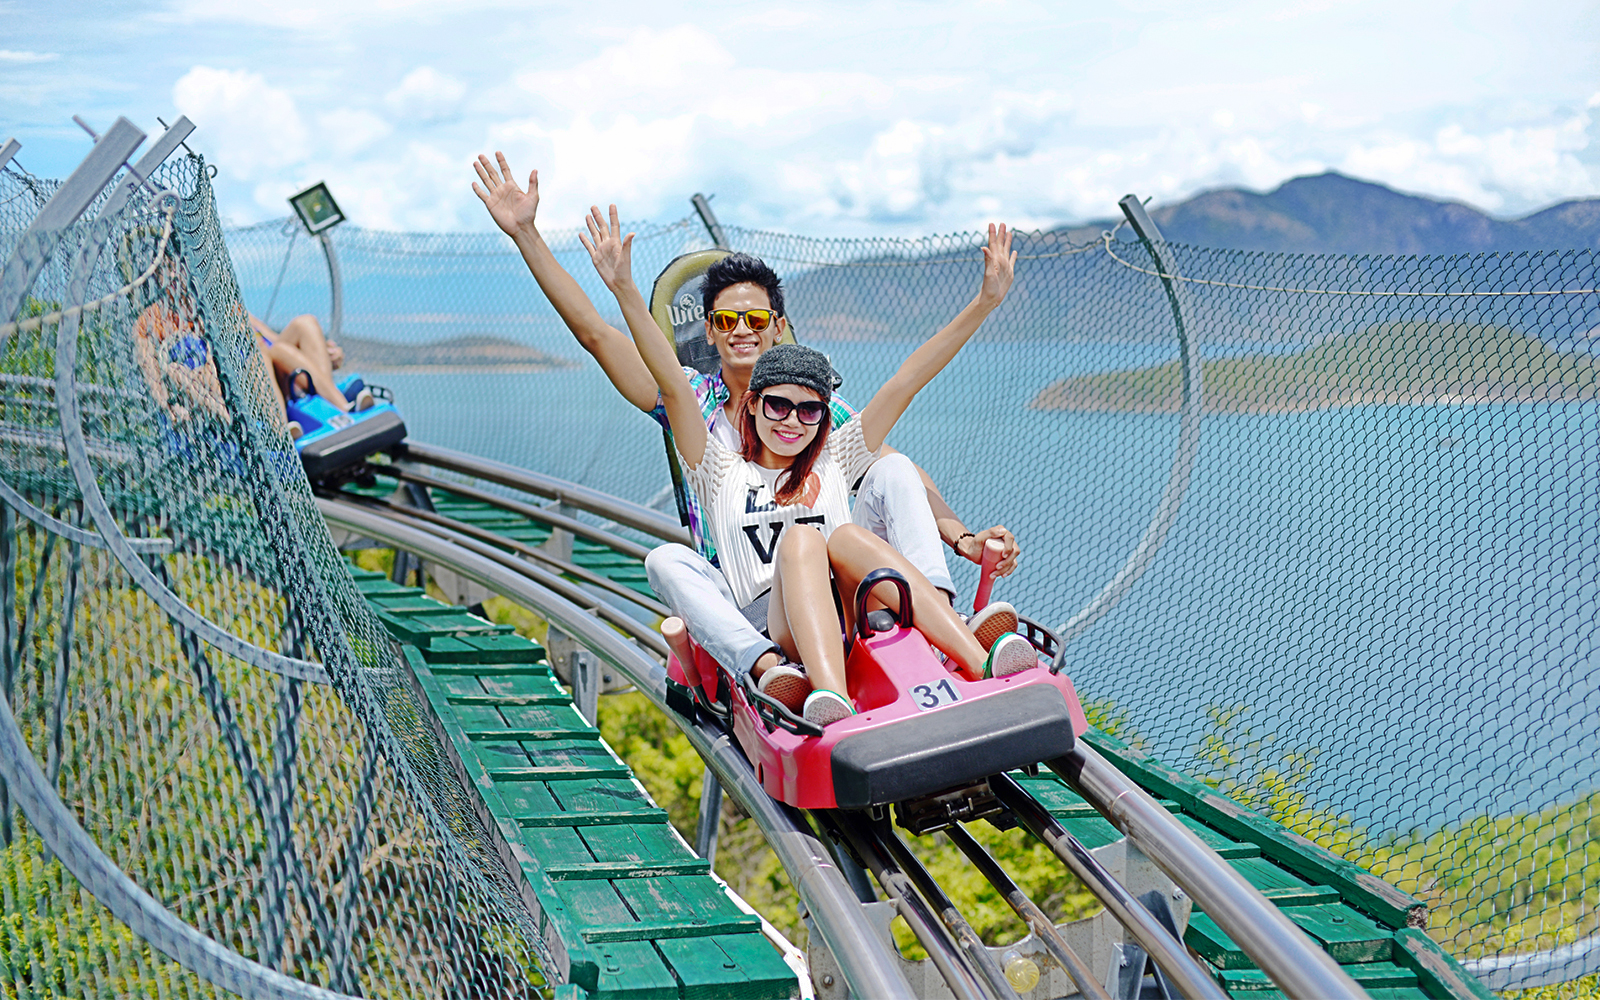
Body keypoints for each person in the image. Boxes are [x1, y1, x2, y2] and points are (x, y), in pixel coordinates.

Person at [471, 153, 1023, 685]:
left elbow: (897, 436)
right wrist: (529, 237)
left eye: (756, 319)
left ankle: (941, 623)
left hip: (841, 586)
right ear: (709, 332)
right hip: (754, 596)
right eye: (727, 320)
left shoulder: (816, 415)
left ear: (778, 327)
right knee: (672, 559)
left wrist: (962, 537)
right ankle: (765, 670)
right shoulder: (700, 418)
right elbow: (599, 336)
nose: (742, 330)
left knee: (884, 479)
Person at [584, 207, 1035, 725]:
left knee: (850, 529)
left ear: (825, 416)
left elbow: (907, 380)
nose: (792, 421)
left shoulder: (834, 455)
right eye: (778, 406)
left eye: (809, 411)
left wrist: (984, 303)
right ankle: (818, 693)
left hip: (847, 606)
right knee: (774, 545)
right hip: (773, 621)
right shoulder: (718, 468)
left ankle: (968, 652)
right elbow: (669, 381)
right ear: (752, 405)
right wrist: (625, 290)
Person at [248, 313, 371, 437]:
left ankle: (341, 405)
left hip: (279, 376)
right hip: (253, 389)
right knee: (260, 353)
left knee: (304, 323)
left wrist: (319, 352)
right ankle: (280, 432)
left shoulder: (240, 309)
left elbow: (273, 342)